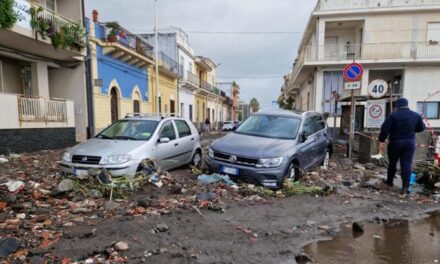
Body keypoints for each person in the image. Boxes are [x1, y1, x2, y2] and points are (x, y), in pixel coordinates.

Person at [379, 98, 426, 194]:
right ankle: (405, 187)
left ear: (397, 106)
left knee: (392, 162)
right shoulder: (415, 115)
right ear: (407, 105)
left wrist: (382, 139)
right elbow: (422, 128)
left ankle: (389, 182)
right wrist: (412, 130)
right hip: (409, 142)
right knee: (407, 164)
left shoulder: (393, 115)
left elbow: (384, 128)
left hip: (395, 142)